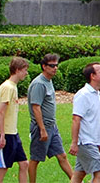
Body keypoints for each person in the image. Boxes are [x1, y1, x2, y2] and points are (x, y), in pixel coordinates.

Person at [27, 54, 73, 183]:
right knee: (35, 159)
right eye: (52, 66)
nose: (55, 68)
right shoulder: (39, 84)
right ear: (44, 66)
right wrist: (42, 129)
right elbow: (36, 107)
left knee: (62, 155)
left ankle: (76, 180)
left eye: (56, 65)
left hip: (52, 126)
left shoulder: (48, 81)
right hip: (42, 127)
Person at [0, 57, 30, 183]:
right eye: (25, 70)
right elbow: (0, 112)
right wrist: (2, 135)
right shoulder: (8, 87)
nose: (26, 73)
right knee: (3, 167)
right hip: (6, 134)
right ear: (18, 70)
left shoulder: (13, 87)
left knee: (24, 163)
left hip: (13, 132)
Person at [70, 63, 100, 183]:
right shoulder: (83, 95)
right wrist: (74, 143)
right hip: (85, 142)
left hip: (92, 141)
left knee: (79, 174)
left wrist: (99, 142)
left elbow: (94, 121)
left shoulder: (96, 93)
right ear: (93, 76)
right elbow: (76, 119)